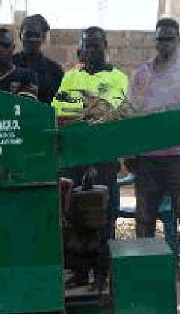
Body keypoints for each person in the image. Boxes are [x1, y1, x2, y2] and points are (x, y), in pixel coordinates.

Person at [129, 18, 180, 282]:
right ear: (155, 41)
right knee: (144, 215)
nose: (164, 43)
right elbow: (131, 116)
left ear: (178, 41)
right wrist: (131, 152)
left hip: (179, 157)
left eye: (169, 38)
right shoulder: (141, 74)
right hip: (147, 157)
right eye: (160, 38)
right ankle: (144, 262)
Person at [53, 27, 128, 286]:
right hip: (75, 155)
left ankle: (102, 273)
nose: (92, 50)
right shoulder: (70, 77)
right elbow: (60, 108)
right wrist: (88, 108)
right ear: (80, 49)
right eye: (87, 46)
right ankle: (80, 272)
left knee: (103, 214)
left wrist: (83, 109)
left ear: (105, 46)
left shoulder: (118, 77)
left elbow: (112, 109)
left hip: (104, 155)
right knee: (75, 213)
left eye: (97, 45)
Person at [13, 14, 64, 104]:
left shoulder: (54, 70)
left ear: (43, 38)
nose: (32, 39)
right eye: (28, 35)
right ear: (20, 36)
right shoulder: (9, 64)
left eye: (36, 35)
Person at [0, 27, 39, 98]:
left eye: (6, 45)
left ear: (13, 47)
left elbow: (26, 105)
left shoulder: (27, 76)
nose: (1, 49)